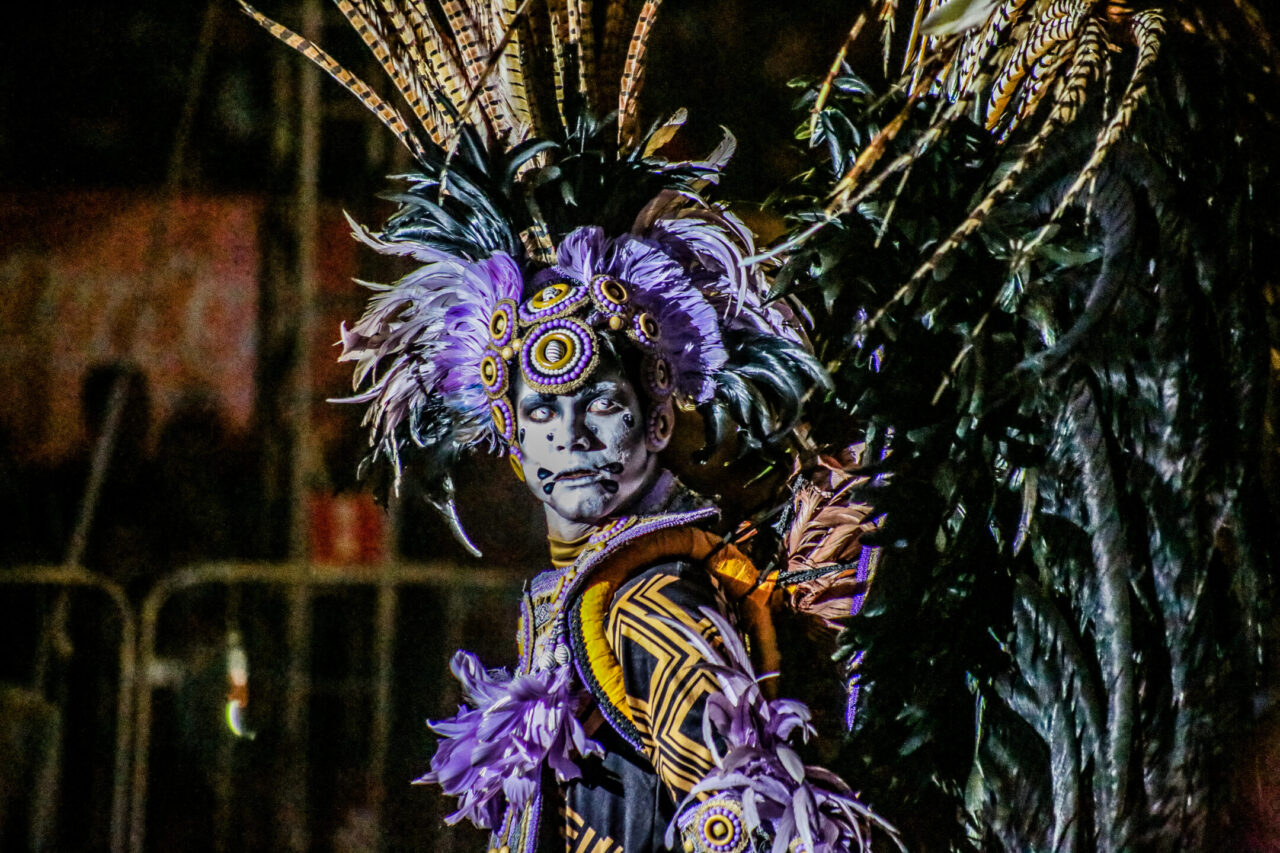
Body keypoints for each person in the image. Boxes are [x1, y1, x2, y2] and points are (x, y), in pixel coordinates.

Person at [241, 2, 892, 850]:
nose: (573, 437)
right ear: (511, 440)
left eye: (603, 404)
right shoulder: (583, 592)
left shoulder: (651, 597)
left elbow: (743, 818)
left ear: (657, 416)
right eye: (544, 411)